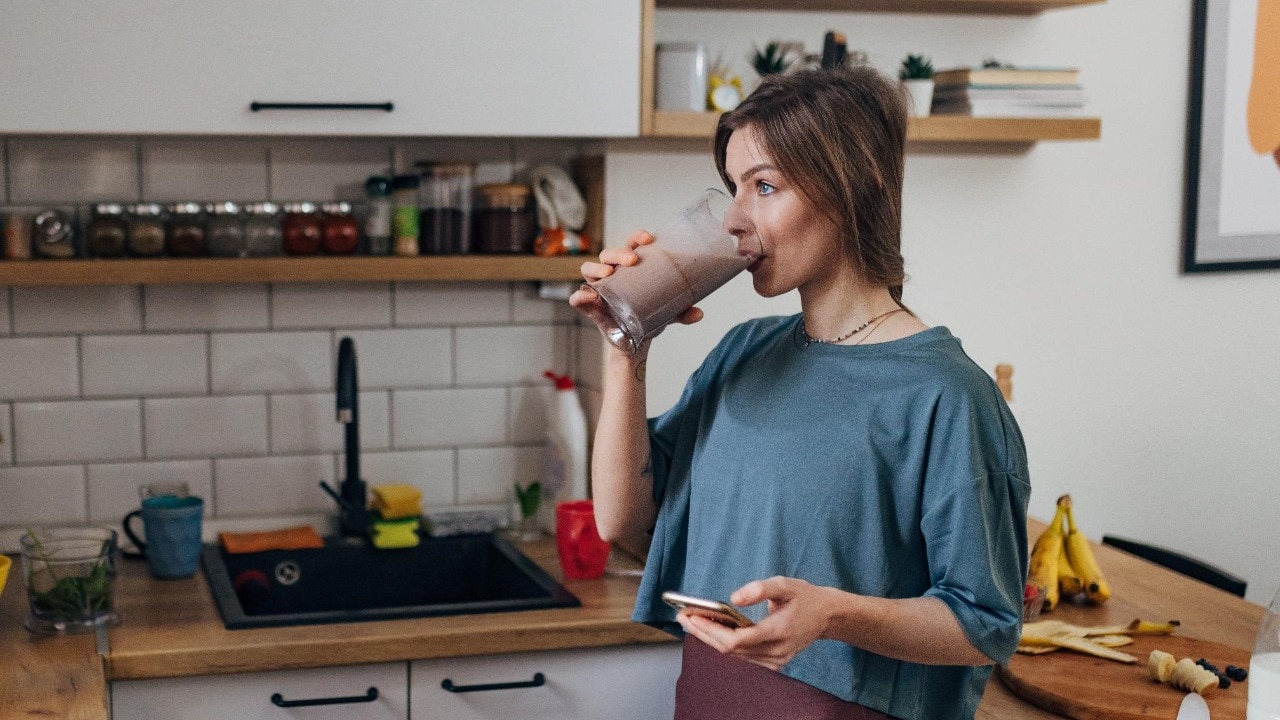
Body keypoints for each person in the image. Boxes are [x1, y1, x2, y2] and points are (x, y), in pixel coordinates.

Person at [569, 66, 1029, 720]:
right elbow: (624, 521)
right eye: (733, 188)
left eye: (764, 186)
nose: (733, 220)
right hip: (710, 699)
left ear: (858, 182)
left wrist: (834, 614)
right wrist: (626, 347)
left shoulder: (948, 396)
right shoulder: (745, 352)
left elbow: (986, 622)